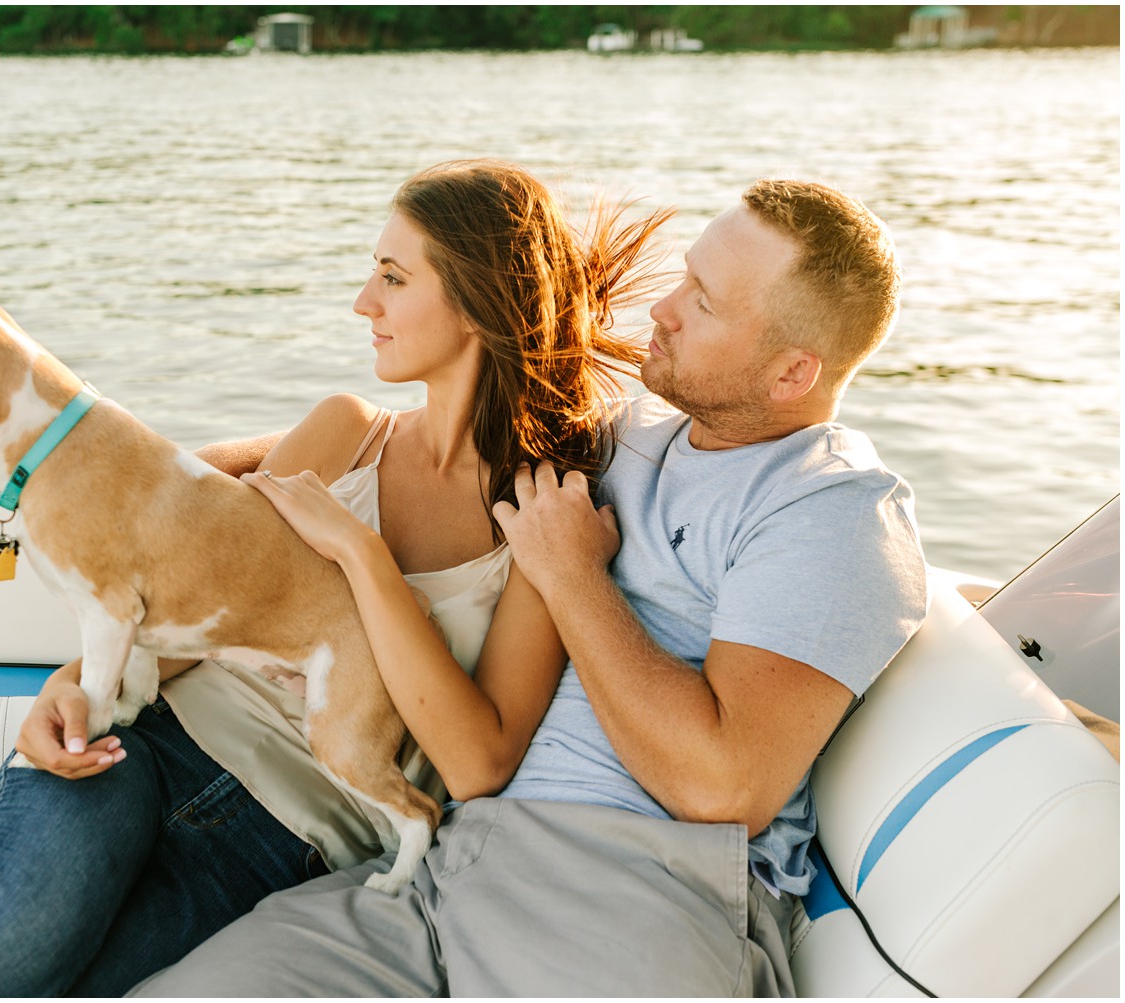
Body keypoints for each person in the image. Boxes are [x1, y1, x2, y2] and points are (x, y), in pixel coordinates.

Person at [0, 160, 674, 996]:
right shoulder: (342, 435)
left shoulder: (540, 517)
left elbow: (478, 762)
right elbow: (158, 533)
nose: (363, 301)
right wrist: (64, 687)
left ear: (482, 301)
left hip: (291, 836)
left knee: (10, 979)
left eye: (394, 278)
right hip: (144, 747)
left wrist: (360, 557)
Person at [128, 179, 930, 997]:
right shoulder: (622, 435)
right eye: (684, 277)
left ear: (794, 372)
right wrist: (190, 481)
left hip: (622, 889)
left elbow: (723, 786)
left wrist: (574, 574)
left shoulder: (827, 513)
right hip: (443, 866)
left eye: (707, 304)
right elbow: (388, 438)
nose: (663, 309)